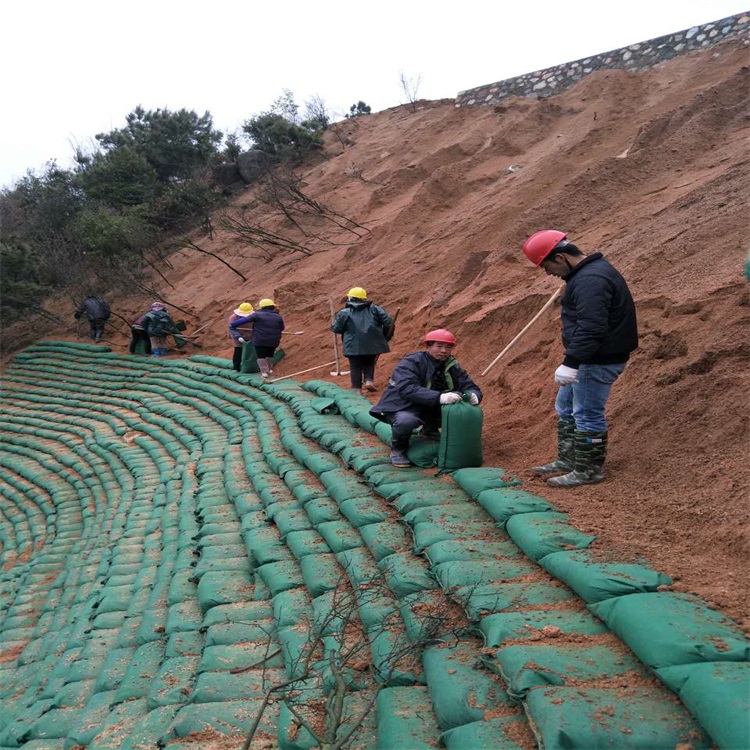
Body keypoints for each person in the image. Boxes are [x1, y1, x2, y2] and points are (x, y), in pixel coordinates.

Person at [522, 230, 638, 487]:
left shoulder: (590, 280)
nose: (548, 273)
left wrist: (572, 362)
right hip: (591, 357)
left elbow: (592, 326)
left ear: (561, 257)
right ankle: (569, 459)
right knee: (565, 408)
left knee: (587, 414)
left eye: (546, 266)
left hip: (597, 360)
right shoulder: (586, 274)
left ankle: (588, 470)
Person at [370, 329, 482, 467]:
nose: (443, 351)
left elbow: (469, 385)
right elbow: (407, 389)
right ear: (428, 346)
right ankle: (399, 449)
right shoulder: (412, 362)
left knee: (459, 412)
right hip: (403, 406)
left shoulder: (452, 366)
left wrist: (474, 395)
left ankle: (429, 429)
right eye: (439, 346)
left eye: (448, 347)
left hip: (431, 407)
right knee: (406, 420)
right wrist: (440, 397)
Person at [331, 287, 393, 393]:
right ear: (364, 298)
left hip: (352, 344)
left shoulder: (345, 312)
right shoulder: (375, 309)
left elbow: (337, 328)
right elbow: (388, 321)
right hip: (373, 343)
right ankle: (369, 381)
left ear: (350, 298)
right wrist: (386, 335)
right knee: (369, 362)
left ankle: (356, 388)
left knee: (355, 366)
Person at [229, 298, 285, 377]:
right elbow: (282, 328)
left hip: (260, 339)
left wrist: (233, 325)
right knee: (270, 354)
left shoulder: (257, 315)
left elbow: (243, 321)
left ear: (261, 307)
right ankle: (269, 370)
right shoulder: (278, 316)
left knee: (260, 355)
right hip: (274, 339)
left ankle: (264, 372)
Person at [228, 302, 254, 372]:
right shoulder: (233, 317)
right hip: (238, 336)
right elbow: (232, 328)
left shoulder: (254, 317)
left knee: (251, 352)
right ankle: (236, 367)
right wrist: (238, 337)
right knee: (238, 351)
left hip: (251, 335)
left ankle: (251, 367)